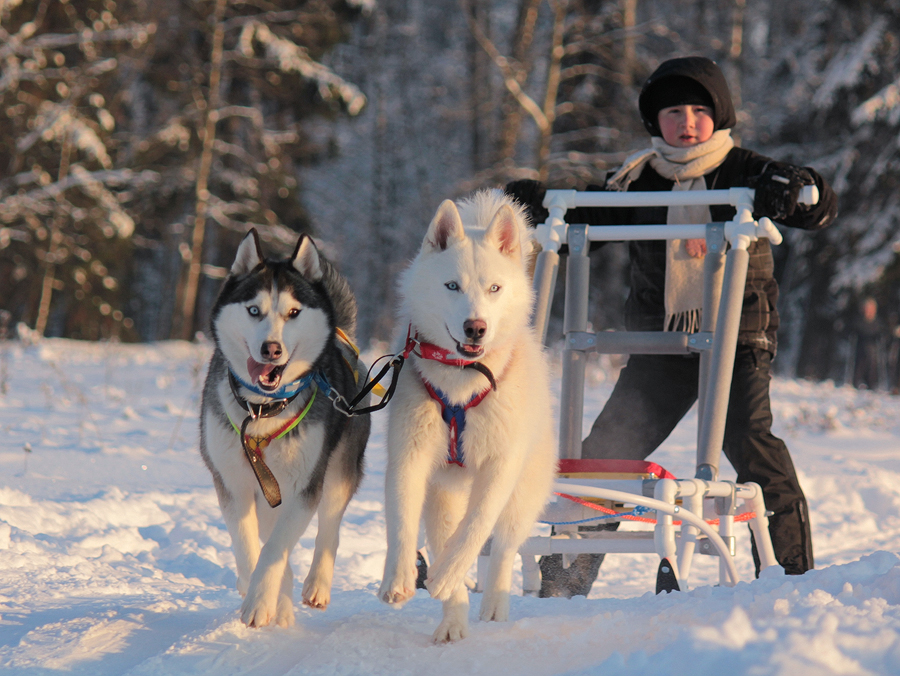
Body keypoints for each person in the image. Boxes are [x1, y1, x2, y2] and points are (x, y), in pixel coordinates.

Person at [507, 56, 838, 598]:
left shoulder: (746, 171)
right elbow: (588, 215)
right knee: (607, 451)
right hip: (662, 345)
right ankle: (565, 580)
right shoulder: (638, 180)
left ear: (720, 116)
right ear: (654, 121)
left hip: (735, 340)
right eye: (673, 111)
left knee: (748, 441)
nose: (687, 122)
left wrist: (800, 189)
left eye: (700, 110)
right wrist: (540, 205)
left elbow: (813, 207)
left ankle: (790, 578)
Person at [852, 296, 883, 390]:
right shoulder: (858, 321)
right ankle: (857, 381)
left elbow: (882, 334)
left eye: (870, 309)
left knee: (871, 356)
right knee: (864, 354)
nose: (868, 311)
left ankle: (872, 382)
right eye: (866, 309)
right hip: (860, 347)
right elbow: (854, 332)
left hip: (873, 348)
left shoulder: (878, 322)